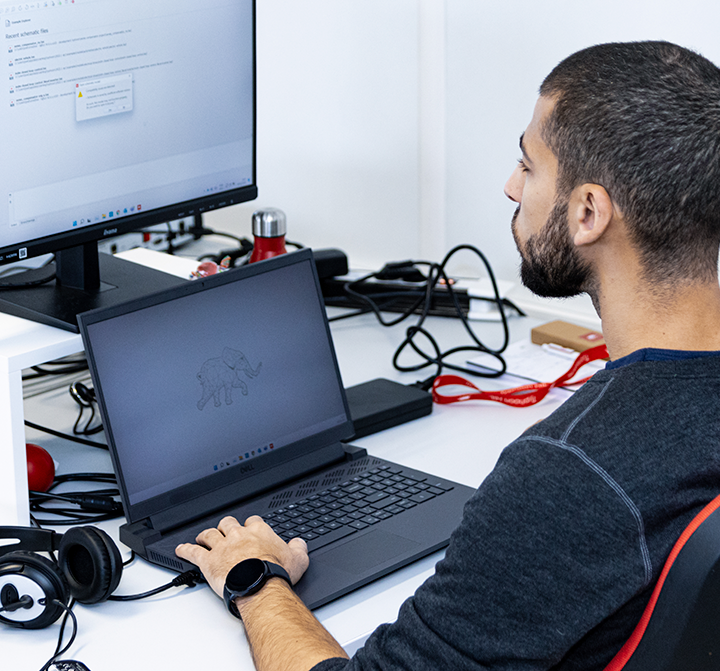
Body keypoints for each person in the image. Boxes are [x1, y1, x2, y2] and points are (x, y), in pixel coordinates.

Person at [176, 41, 720, 671]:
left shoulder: (572, 474)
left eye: (529, 165)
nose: (511, 185)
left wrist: (255, 580)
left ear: (589, 212)